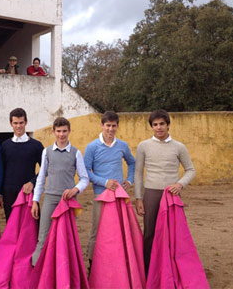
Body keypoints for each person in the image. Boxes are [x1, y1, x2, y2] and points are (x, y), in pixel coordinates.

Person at [134, 109, 196, 273]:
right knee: (150, 234)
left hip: (172, 195)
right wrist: (139, 198)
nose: (159, 127)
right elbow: (138, 173)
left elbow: (190, 170)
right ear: (152, 127)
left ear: (168, 125)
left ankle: (171, 269)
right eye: (155, 125)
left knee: (173, 234)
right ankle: (149, 271)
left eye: (162, 124)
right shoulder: (143, 146)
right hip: (151, 194)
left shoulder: (179, 147)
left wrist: (180, 184)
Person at [31, 116, 89, 264]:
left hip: (68, 201)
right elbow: (41, 177)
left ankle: (66, 273)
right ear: (53, 132)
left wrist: (75, 189)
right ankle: (37, 270)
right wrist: (35, 201)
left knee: (66, 237)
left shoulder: (76, 153)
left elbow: (84, 178)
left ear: (69, 131)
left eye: (64, 131)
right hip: (50, 198)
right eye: (58, 131)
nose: (61, 134)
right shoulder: (47, 152)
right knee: (43, 236)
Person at [84, 110, 136, 265]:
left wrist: (130, 180)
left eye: (113, 126)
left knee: (120, 229)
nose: (110, 129)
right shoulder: (92, 147)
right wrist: (104, 182)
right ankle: (92, 265)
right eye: (108, 125)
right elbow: (85, 171)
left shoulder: (122, 145)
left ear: (117, 126)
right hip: (100, 194)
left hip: (119, 195)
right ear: (102, 125)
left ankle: (117, 263)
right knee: (97, 230)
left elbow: (132, 162)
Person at [0, 107, 44, 220]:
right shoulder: (4, 146)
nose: (18, 126)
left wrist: (32, 182)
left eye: (21, 123)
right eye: (15, 123)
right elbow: (1, 170)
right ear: (11, 123)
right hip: (9, 193)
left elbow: (45, 168)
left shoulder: (36, 145)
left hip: (29, 192)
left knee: (32, 227)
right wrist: (0, 193)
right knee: (12, 227)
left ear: (26, 122)